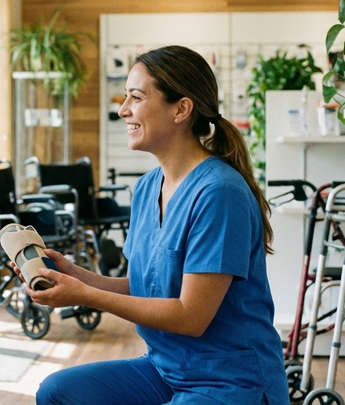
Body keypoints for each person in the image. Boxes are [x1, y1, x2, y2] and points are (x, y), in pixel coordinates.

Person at [22, 45, 289, 405]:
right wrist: (76, 275)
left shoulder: (219, 193)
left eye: (136, 97)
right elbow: (144, 286)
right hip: (165, 369)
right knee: (57, 393)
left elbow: (191, 316)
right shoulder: (148, 187)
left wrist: (84, 296)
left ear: (181, 109)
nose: (123, 110)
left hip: (230, 381)